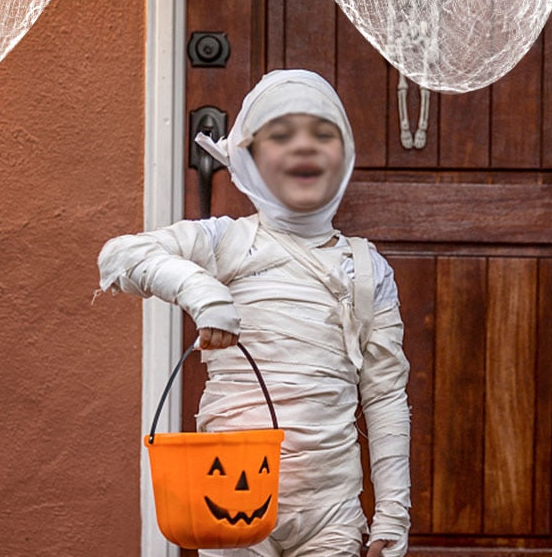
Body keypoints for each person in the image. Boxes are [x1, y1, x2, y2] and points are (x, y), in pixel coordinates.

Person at [98, 69, 411, 557]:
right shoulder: (227, 241)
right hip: (229, 496)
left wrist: (393, 508)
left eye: (322, 133)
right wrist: (205, 294)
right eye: (281, 135)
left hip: (330, 511)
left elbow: (386, 393)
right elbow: (120, 256)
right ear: (246, 156)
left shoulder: (366, 269)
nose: (303, 146)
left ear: (345, 154)